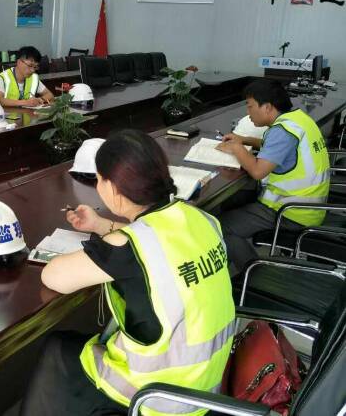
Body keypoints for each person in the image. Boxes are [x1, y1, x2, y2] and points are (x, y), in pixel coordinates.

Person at [21, 129, 235, 416]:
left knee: (58, 350)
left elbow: (53, 276)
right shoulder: (202, 219)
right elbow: (159, 241)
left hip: (158, 396)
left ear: (111, 188)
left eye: (99, 179)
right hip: (205, 385)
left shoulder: (129, 248)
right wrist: (101, 226)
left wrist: (109, 238)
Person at [217, 79, 329, 276]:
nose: (248, 113)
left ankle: (255, 276)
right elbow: (274, 146)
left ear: (267, 107)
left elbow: (258, 171)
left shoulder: (282, 131)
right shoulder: (297, 120)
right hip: (309, 206)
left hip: (290, 212)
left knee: (220, 226)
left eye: (250, 106)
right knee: (235, 203)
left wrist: (237, 148)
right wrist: (244, 140)